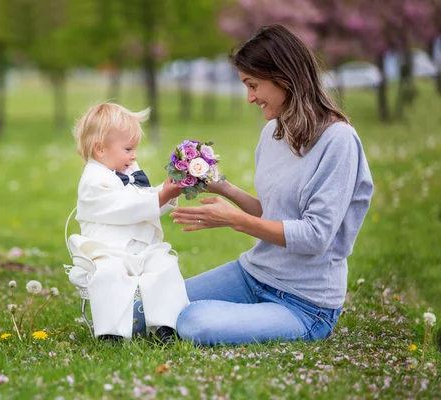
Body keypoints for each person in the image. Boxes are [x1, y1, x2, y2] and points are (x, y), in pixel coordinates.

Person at [169, 24, 374, 346]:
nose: (250, 97)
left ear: (284, 77)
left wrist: (234, 220)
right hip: (254, 274)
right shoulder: (274, 132)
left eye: (253, 85)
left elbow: (315, 236)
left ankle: (251, 317)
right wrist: (222, 187)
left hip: (304, 303)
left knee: (194, 322)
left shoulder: (339, 141)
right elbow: (278, 214)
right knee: (147, 309)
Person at [67, 102, 189, 343]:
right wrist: (160, 196)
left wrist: (167, 192)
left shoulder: (127, 170)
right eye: (128, 148)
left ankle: (166, 325)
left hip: (141, 250)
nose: (134, 156)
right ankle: (111, 332)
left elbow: (142, 202)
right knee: (110, 275)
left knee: (165, 266)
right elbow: (125, 208)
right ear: (100, 149)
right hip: (107, 251)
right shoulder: (93, 181)